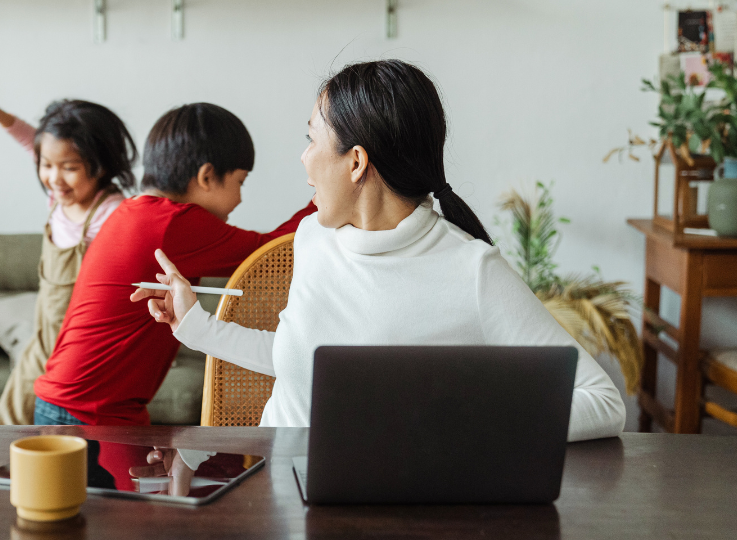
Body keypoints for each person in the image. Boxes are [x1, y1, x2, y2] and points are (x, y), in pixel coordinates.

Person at [132, 60, 626, 443]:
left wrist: (459, 420)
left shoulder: (472, 270)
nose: (304, 158)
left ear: (356, 162)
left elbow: (602, 402)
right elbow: (299, 361)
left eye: (310, 139)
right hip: (278, 491)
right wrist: (195, 325)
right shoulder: (313, 238)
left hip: (390, 499)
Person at [32, 103, 317, 426]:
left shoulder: (137, 212)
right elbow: (270, 255)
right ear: (207, 176)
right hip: (86, 412)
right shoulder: (170, 223)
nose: (239, 199)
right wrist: (325, 194)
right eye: (240, 182)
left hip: (77, 403)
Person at [0, 86, 137, 425]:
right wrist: (0, 116)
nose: (54, 178)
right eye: (47, 165)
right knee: (8, 417)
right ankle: (7, 476)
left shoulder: (111, 214)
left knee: (46, 424)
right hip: (43, 334)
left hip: (78, 346)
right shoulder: (60, 198)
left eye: (70, 167)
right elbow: (35, 143)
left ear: (101, 164)